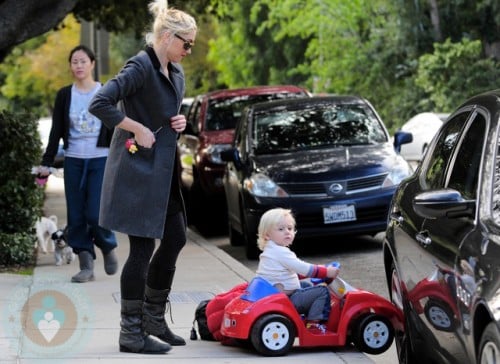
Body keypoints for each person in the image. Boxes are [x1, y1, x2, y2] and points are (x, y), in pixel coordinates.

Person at [88, 0, 197, 355]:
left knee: (177, 237)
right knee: (141, 249)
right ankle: (130, 333)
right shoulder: (140, 66)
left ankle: (152, 319)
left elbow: (164, 116)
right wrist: (135, 129)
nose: (189, 50)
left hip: (164, 174)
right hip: (137, 172)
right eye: (186, 43)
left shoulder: (175, 73)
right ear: (167, 37)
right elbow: (100, 102)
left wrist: (177, 123)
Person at [39, 45, 118, 284]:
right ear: (71, 66)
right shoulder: (65, 95)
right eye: (74, 62)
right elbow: (56, 131)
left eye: (83, 61)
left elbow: (117, 124)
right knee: (76, 216)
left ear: (92, 63)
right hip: (73, 160)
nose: (79, 66)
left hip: (100, 159)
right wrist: (47, 161)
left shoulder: (105, 91)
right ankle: (86, 264)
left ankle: (107, 245)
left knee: (95, 213)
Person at [255, 208, 339, 332]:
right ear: (267, 235)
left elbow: (288, 272)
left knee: (305, 284)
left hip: (277, 295)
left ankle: (308, 316)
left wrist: (316, 269)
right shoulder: (281, 252)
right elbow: (303, 268)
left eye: (290, 228)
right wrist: (325, 272)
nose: (287, 232)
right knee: (322, 291)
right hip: (285, 300)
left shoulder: (270, 250)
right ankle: (314, 324)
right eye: (281, 229)